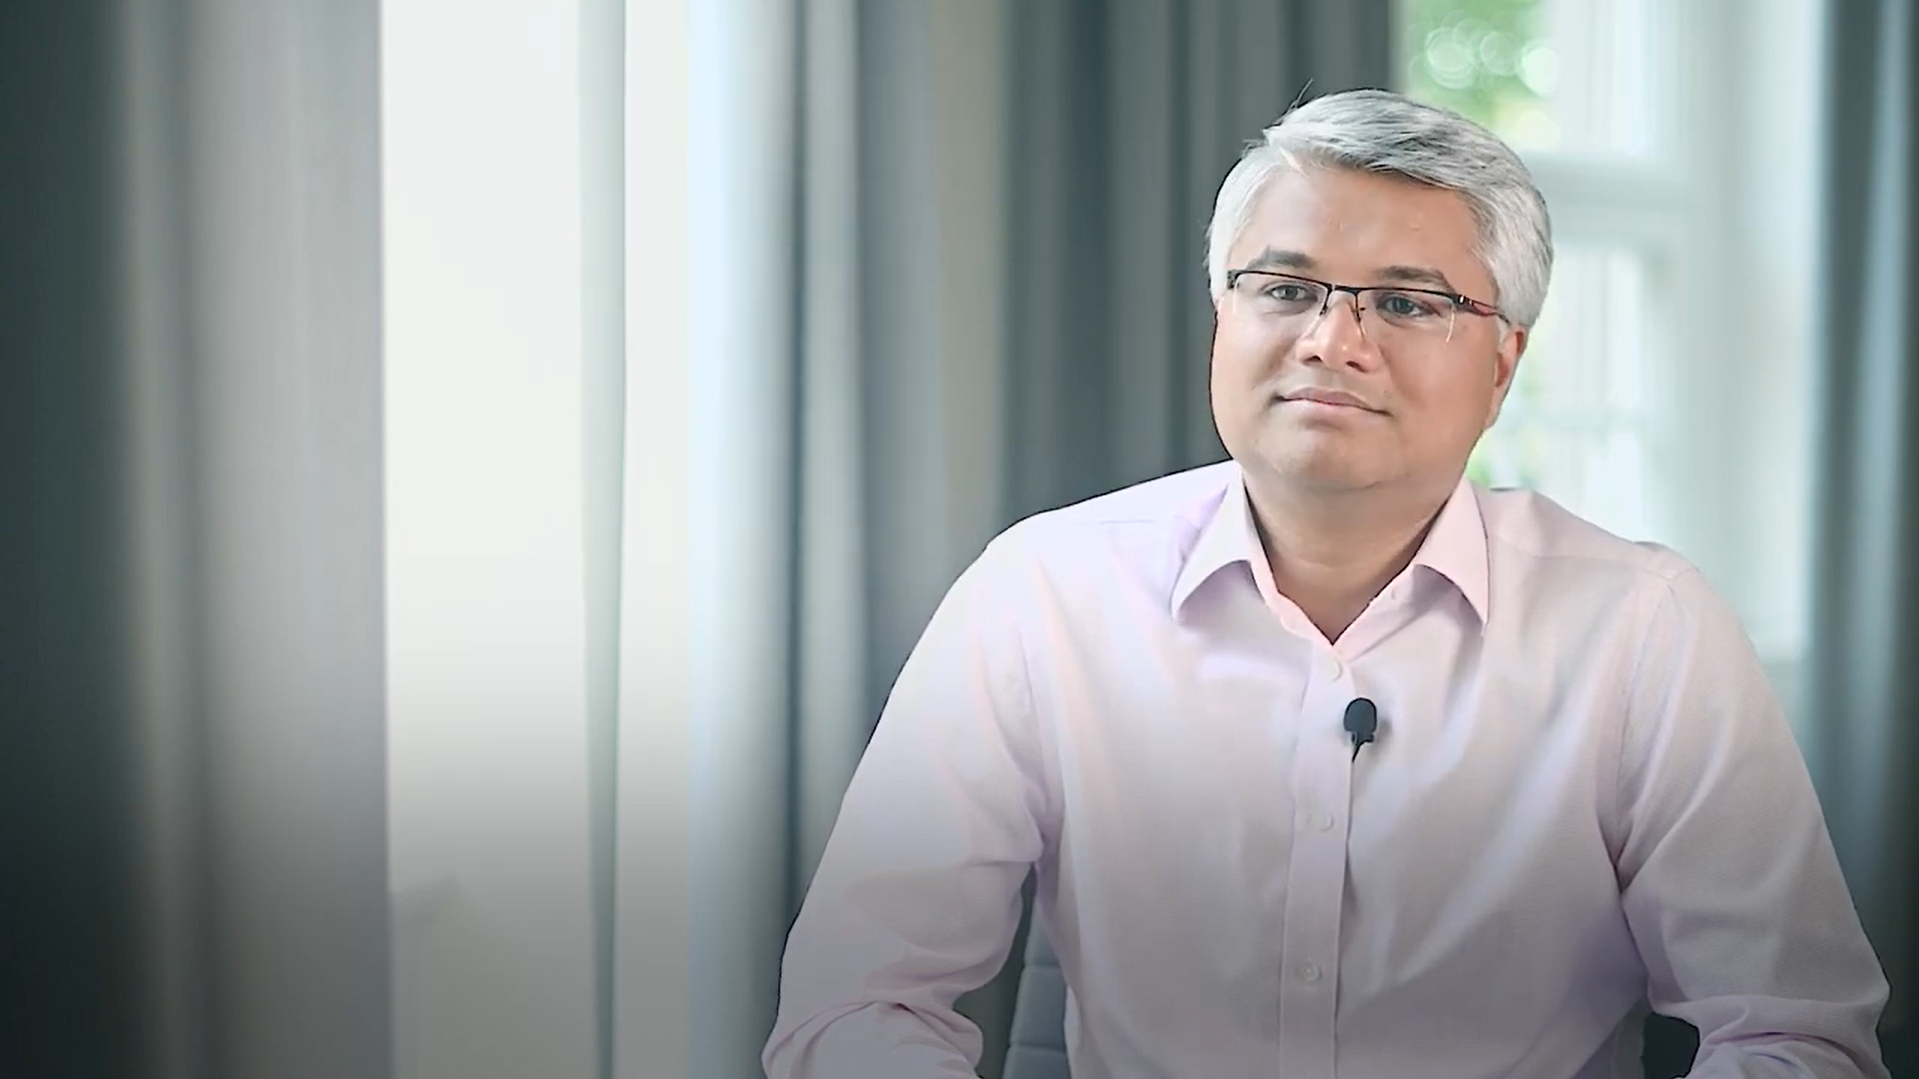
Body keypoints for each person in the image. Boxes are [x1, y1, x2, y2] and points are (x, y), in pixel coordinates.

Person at [760, 89, 1889, 1079]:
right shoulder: (1042, 591)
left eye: (1404, 303)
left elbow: (1791, 1031)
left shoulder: (1640, 628)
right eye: (1285, 287)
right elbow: (856, 999)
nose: (1331, 341)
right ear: (1222, 316)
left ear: (1501, 363)